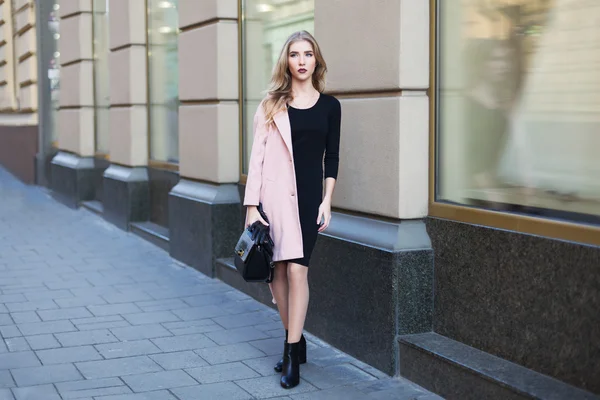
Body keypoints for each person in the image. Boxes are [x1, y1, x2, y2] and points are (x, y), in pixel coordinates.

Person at [243, 30, 341, 389]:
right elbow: (257, 160)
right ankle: (295, 340)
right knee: (277, 275)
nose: (302, 61)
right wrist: (251, 207)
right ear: (286, 60)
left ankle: (290, 354)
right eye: (295, 54)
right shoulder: (271, 104)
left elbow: (332, 156)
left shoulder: (331, 107)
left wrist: (327, 199)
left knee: (298, 272)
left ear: (317, 60)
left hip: (309, 199)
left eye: (308, 54)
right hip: (273, 199)